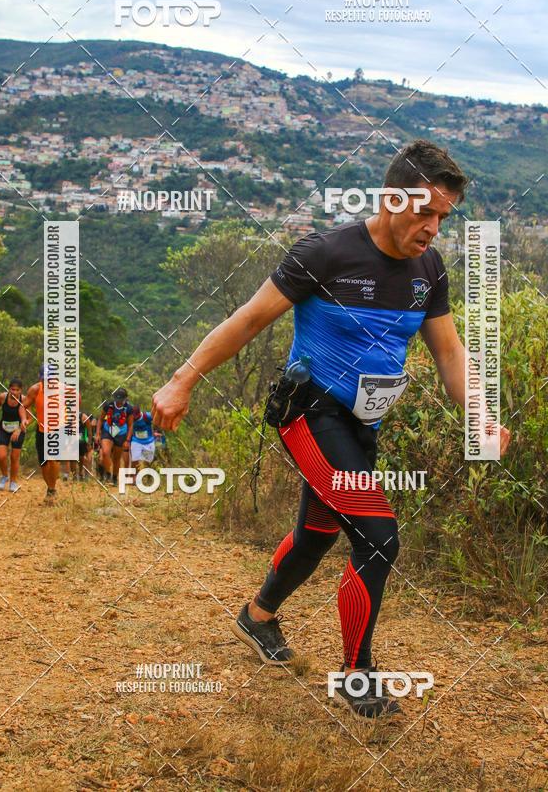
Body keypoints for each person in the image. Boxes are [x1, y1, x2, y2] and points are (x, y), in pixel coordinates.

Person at [152, 140, 512, 719]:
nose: (433, 228)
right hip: (310, 414)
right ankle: (356, 675)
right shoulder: (325, 254)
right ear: (391, 199)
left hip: (362, 424)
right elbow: (248, 320)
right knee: (378, 535)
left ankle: (258, 616)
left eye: (444, 217)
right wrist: (181, 381)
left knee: (317, 533)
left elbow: (449, 354)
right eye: (425, 212)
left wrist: (480, 414)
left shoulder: (428, 270)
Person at [23, 364, 80, 505]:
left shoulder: (63, 389)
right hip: (42, 430)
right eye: (45, 379)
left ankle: (52, 489)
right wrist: (25, 419)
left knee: (53, 460)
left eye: (50, 379)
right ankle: (50, 487)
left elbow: (77, 398)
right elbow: (23, 406)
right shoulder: (35, 390)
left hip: (58, 429)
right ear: (40, 378)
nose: (48, 382)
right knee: (44, 463)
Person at [0, 378, 27, 492]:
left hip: (18, 431)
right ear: (9, 389)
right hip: (3, 429)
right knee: (1, 456)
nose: (14, 392)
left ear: (21, 390)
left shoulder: (24, 400)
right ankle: (4, 476)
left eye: (17, 390)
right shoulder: (2, 397)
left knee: (14, 457)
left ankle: (13, 482)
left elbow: (29, 418)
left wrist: (19, 429)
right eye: (12, 389)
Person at [96, 388, 133, 486]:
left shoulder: (129, 409)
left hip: (121, 434)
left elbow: (130, 425)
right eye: (117, 399)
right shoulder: (108, 406)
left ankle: (115, 478)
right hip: (108, 430)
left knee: (116, 458)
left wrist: (127, 440)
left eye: (121, 399)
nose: (119, 402)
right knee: (105, 453)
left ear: (125, 399)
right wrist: (98, 434)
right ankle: (108, 474)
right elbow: (100, 419)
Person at [129, 406, 156, 482]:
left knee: (148, 461)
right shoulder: (131, 418)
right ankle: (134, 477)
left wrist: (156, 431)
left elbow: (156, 421)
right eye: (133, 416)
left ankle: (148, 477)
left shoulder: (147, 416)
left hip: (148, 442)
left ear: (139, 413)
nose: (134, 417)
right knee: (134, 459)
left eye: (135, 416)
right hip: (136, 441)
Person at [72, 411, 93, 482]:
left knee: (81, 458)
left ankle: (81, 473)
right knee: (72, 458)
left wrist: (89, 443)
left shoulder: (83, 417)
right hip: (71, 440)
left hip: (81, 441)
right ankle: (74, 476)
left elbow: (89, 431)